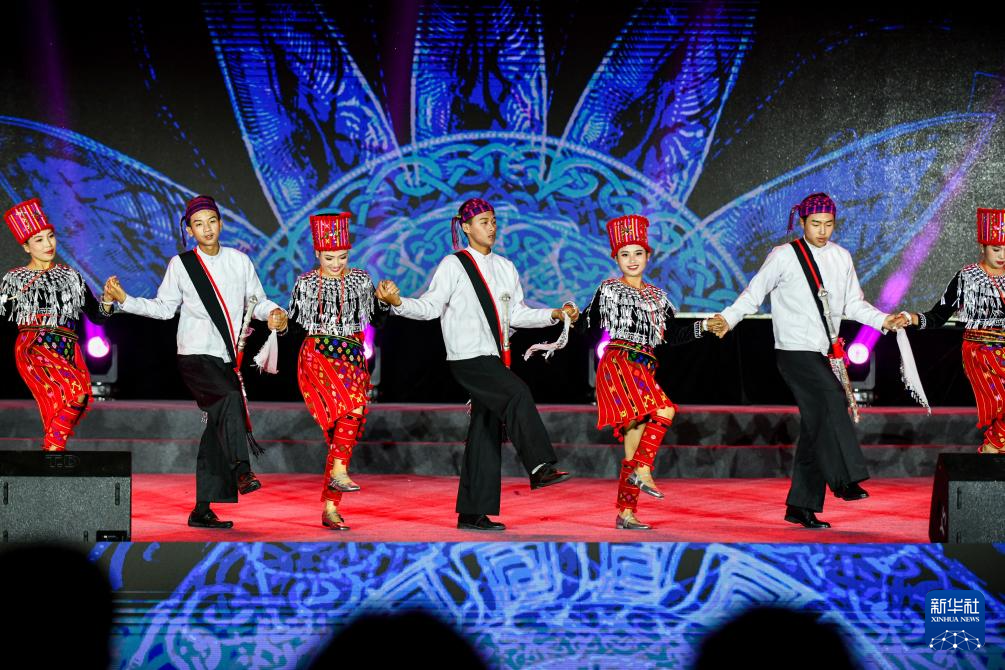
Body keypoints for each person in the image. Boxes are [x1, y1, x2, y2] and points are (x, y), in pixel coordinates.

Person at [707, 192, 907, 529]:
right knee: (832, 397)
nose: (822, 231)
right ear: (802, 223)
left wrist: (883, 320)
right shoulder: (783, 256)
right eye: (815, 224)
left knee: (817, 426)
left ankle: (801, 505)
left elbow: (853, 304)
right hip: (793, 351)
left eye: (829, 224)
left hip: (824, 352)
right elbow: (754, 293)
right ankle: (845, 478)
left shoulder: (841, 256)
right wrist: (728, 318)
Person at [375, 197, 574, 531]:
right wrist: (397, 302)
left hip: (493, 355)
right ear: (466, 227)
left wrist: (553, 314)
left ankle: (472, 512)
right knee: (517, 393)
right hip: (468, 357)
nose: (491, 227)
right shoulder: (453, 265)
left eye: (493, 221)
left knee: (484, 430)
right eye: (483, 222)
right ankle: (540, 465)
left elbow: (517, 314)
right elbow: (430, 307)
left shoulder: (506, 267)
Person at [104, 195, 288, 529]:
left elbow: (258, 302)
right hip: (194, 355)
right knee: (229, 399)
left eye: (212, 221)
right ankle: (242, 470)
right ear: (189, 230)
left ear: (221, 223)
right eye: (198, 224)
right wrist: (125, 300)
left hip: (226, 358)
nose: (207, 229)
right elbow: (164, 309)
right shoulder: (182, 264)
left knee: (217, 427)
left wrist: (274, 312)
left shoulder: (239, 261)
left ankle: (201, 509)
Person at [582, 214, 709, 530]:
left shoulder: (658, 298)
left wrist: (704, 326)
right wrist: (572, 316)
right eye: (624, 254)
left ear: (648, 256)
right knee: (665, 409)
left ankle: (625, 513)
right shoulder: (608, 290)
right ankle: (644, 469)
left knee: (633, 444)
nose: (632, 259)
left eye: (638, 253)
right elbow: (588, 324)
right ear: (616, 258)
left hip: (643, 368)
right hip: (618, 363)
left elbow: (672, 336)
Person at [287, 212, 388, 530]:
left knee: (343, 432)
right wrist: (278, 323)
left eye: (342, 256)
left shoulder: (360, 280)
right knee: (352, 409)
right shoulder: (305, 283)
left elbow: (376, 320)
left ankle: (331, 507)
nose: (336, 263)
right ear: (317, 253)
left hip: (352, 356)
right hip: (318, 355)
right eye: (329, 257)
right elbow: (294, 327)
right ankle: (339, 476)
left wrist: (384, 302)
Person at [0, 198, 114, 451]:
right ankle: (53, 448)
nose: (48, 244)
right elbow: (4, 315)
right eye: (39, 240)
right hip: (34, 346)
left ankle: (52, 451)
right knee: (76, 392)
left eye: (50, 237)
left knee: (67, 401)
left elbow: (97, 317)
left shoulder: (71, 277)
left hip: (67, 348)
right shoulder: (15, 279)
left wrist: (107, 299)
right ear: (26, 247)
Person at [906, 207, 1005, 453]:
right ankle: (993, 448)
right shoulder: (967, 277)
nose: (1002, 255)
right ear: (982, 247)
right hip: (981, 352)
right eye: (996, 249)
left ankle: (993, 449)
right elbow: (939, 315)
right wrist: (912, 318)